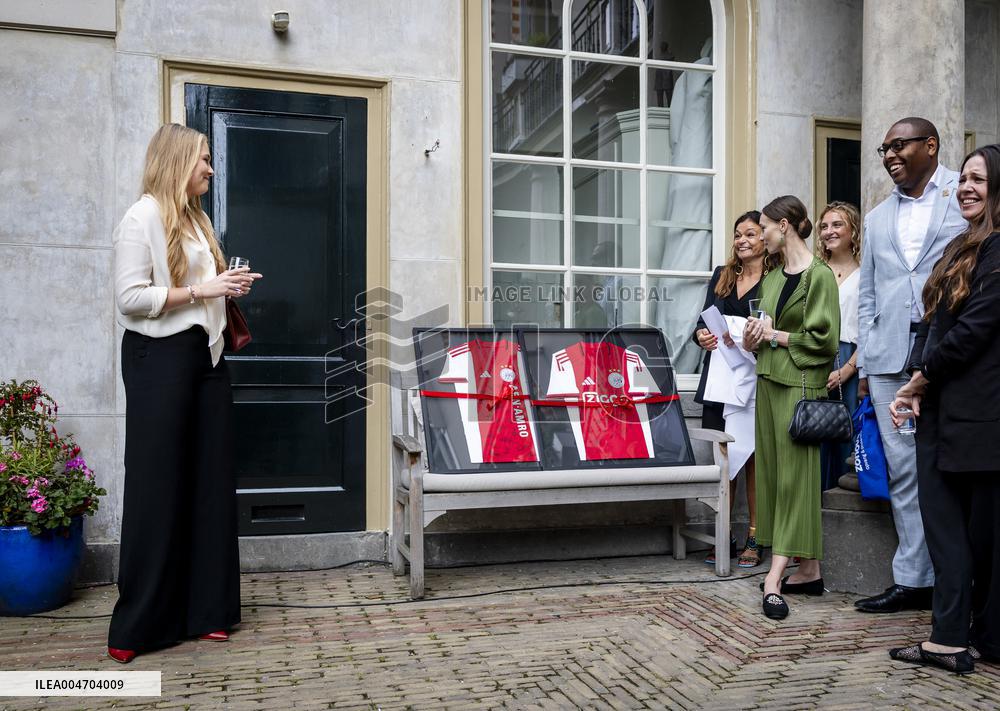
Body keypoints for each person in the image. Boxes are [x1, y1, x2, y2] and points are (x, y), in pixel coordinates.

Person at [108, 124, 262, 663]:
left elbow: (203, 290)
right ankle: (140, 626)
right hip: (159, 361)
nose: (211, 169)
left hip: (209, 358)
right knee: (157, 485)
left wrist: (228, 284)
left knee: (211, 482)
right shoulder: (141, 216)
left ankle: (209, 612)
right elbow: (129, 297)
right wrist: (202, 289)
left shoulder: (196, 219)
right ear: (178, 160)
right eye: (203, 159)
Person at [887, 144, 1000, 675]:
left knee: (967, 535)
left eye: (978, 179)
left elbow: (975, 331)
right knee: (949, 531)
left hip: (979, 415)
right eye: (964, 180)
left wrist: (921, 380)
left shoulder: (999, 250)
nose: (966, 188)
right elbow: (929, 323)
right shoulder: (962, 244)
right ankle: (960, 637)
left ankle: (957, 640)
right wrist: (914, 382)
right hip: (944, 409)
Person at [854, 117, 967, 614]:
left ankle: (956, 581)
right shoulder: (877, 217)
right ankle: (912, 579)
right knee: (902, 470)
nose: (890, 155)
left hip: (946, 355)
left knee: (949, 466)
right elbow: (868, 292)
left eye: (899, 145)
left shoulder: (962, 199)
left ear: (931, 145)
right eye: (884, 149)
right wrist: (863, 362)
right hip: (885, 359)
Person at [743, 196, 839, 620]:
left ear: (784, 226)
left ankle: (773, 578)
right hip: (767, 382)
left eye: (764, 227)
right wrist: (751, 337)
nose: (760, 234)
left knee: (795, 480)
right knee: (773, 476)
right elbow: (760, 333)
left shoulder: (820, 276)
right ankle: (809, 571)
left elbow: (825, 342)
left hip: (800, 386)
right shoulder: (772, 278)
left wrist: (777, 336)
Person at [693, 211, 772, 568]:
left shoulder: (776, 277)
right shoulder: (721, 276)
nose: (741, 240)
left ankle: (756, 536)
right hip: (719, 378)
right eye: (737, 234)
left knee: (753, 458)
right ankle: (723, 533)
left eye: (750, 234)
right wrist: (702, 335)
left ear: (765, 238)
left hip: (756, 378)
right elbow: (702, 321)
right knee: (724, 460)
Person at [815, 202, 863, 490]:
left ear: (853, 231)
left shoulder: (866, 271)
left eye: (837, 225)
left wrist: (847, 369)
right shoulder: (814, 272)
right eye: (824, 226)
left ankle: (846, 512)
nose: (829, 231)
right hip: (817, 358)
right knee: (816, 433)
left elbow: (871, 328)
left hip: (852, 359)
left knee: (848, 436)